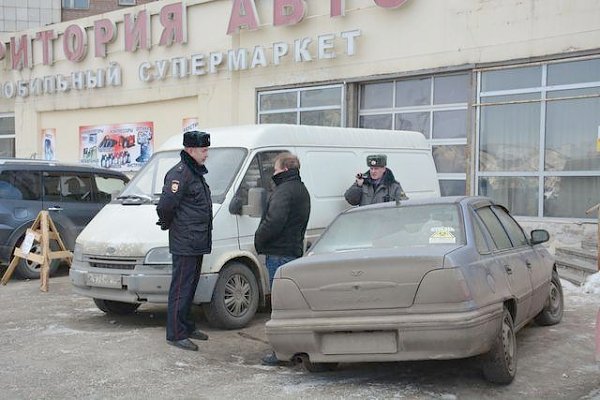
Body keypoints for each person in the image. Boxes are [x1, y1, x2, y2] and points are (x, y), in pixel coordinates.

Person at [156, 130, 212, 352]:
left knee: (190, 287)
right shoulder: (180, 174)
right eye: (203, 150)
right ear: (190, 150)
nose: (206, 154)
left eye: (207, 149)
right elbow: (165, 206)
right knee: (180, 288)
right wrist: (169, 223)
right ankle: (175, 333)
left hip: (196, 240)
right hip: (185, 241)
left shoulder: (194, 172)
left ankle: (186, 326)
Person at [254, 152, 310, 366]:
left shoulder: (284, 191)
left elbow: (274, 221)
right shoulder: (300, 189)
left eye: (276, 169)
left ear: (285, 169)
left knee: (280, 306)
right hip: (292, 250)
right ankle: (295, 349)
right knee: (292, 305)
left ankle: (282, 352)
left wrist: (259, 239)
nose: (273, 173)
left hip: (279, 253)